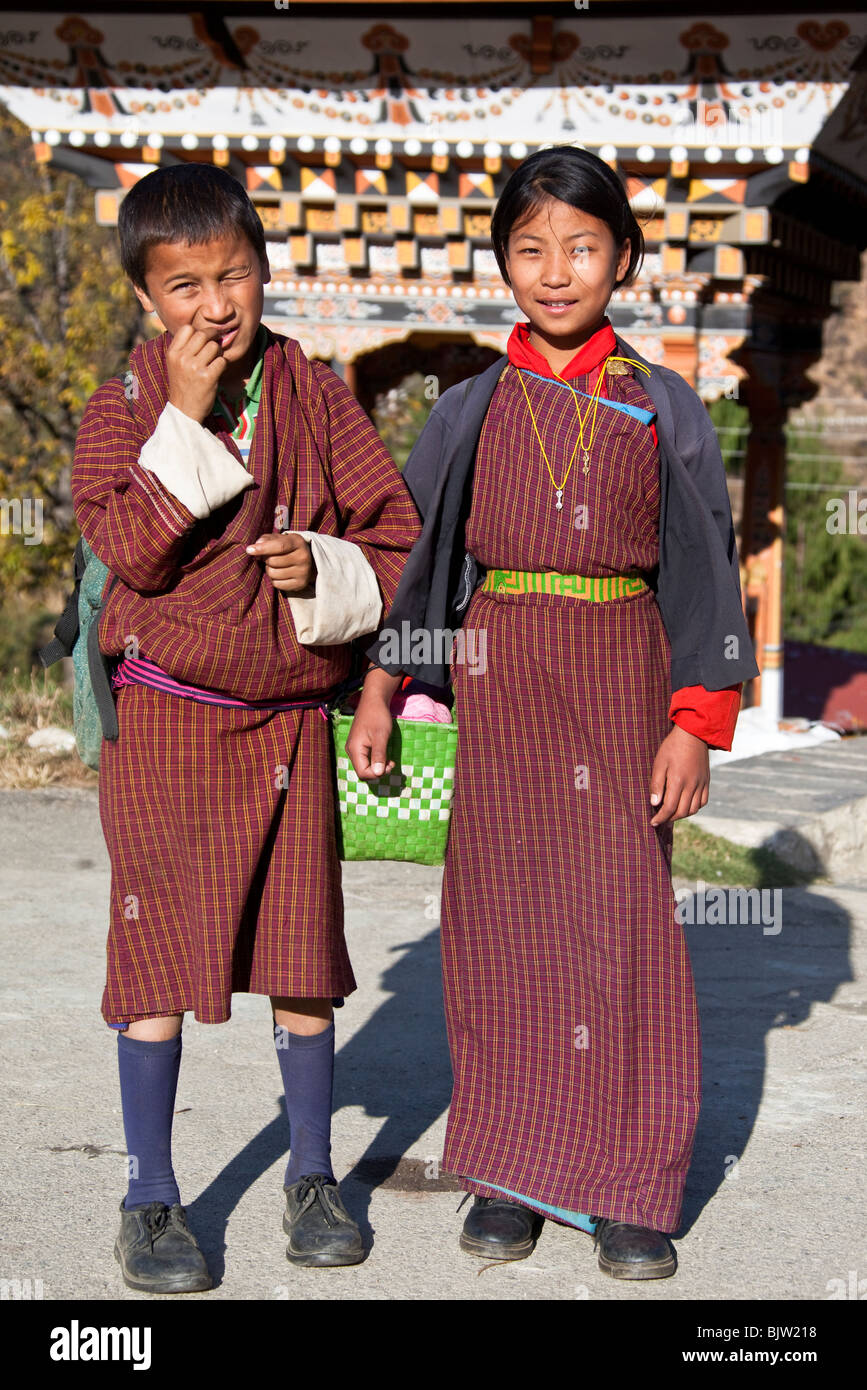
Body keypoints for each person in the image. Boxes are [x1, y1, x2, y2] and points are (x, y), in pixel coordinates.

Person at [346, 145, 758, 1280]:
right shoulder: (470, 407)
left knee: (619, 925)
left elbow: (704, 568)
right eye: (531, 249)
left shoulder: (661, 405)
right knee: (504, 922)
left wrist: (696, 721)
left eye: (582, 246)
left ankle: (626, 1187)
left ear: (621, 257)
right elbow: (419, 557)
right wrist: (384, 683)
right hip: (505, 673)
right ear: (503, 266)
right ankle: (508, 1174)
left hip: (624, 673)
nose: (557, 270)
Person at [71, 163, 420, 1292]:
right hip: (169, 723)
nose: (214, 306)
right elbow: (128, 547)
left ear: (266, 272)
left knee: (302, 957)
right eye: (183, 285)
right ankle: (150, 1196)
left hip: (287, 727)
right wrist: (180, 420)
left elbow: (398, 536)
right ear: (146, 300)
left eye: (234, 275)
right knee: (159, 961)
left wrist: (318, 564)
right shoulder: (119, 410)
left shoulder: (313, 395)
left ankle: (313, 1175)